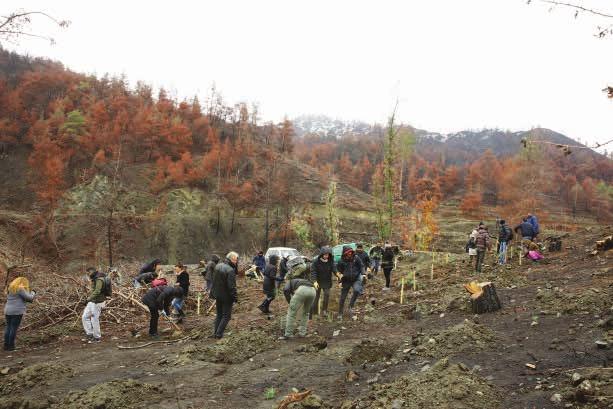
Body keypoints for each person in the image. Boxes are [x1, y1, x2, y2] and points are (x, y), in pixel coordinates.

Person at [211, 251, 239, 339]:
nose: (236, 262)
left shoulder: (218, 266)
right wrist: (235, 297)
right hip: (226, 296)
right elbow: (232, 287)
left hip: (217, 294)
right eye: (235, 260)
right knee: (226, 316)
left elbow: (214, 281)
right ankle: (219, 334)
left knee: (219, 314)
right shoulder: (230, 270)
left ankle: (215, 333)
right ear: (230, 259)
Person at [4, 276, 35, 351]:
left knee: (8, 327)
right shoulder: (20, 289)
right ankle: (11, 346)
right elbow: (29, 298)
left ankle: (6, 346)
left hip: (8, 310)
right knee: (13, 328)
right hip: (17, 311)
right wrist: (33, 292)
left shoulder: (10, 288)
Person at [82, 267, 110, 343]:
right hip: (92, 301)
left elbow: (97, 291)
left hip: (98, 302)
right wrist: (89, 299)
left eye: (88, 273)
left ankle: (97, 338)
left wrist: (88, 299)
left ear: (92, 271)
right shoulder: (95, 278)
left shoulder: (99, 279)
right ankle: (89, 334)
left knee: (94, 319)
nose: (87, 274)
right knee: (85, 317)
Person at [336, 246, 364, 318]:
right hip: (346, 280)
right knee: (343, 297)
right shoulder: (341, 261)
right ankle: (340, 313)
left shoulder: (356, 258)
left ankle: (350, 306)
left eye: (351, 252)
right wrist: (339, 282)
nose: (350, 253)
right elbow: (339, 272)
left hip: (356, 278)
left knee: (357, 290)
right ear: (345, 253)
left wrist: (363, 273)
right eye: (348, 252)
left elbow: (361, 266)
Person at [310, 246, 335, 318]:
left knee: (327, 295)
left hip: (327, 281)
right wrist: (314, 281)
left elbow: (334, 268)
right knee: (316, 296)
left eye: (328, 255)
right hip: (318, 281)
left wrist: (337, 274)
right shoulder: (316, 261)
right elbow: (313, 271)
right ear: (321, 254)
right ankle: (314, 311)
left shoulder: (330, 261)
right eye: (325, 255)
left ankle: (324, 310)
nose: (326, 256)